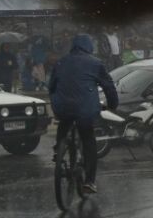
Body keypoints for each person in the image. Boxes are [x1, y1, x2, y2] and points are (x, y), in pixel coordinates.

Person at [49, 33, 118, 191]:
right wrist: (113, 104)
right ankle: (89, 181)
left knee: (64, 122)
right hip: (85, 110)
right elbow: (108, 86)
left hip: (62, 107)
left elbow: (51, 85)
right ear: (89, 47)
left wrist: (56, 103)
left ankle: (59, 149)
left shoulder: (61, 62)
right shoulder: (95, 63)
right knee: (88, 140)